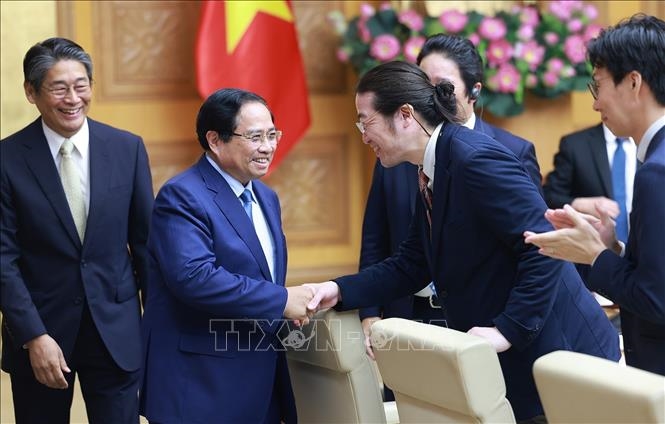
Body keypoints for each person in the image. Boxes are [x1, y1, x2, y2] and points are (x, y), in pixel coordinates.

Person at [304, 61, 620, 423]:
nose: (363, 136)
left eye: (366, 122)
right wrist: (339, 289)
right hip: (516, 365)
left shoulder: (474, 159)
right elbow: (412, 263)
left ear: (405, 115)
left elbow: (546, 245)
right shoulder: (430, 166)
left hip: (559, 354)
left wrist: (507, 329)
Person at [358, 33, 543, 361]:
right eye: (422, 83)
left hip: (489, 327)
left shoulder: (497, 153)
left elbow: (537, 243)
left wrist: (509, 328)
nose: (428, 96)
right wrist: (362, 305)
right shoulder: (401, 156)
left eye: (441, 85)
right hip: (412, 315)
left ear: (474, 91)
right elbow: (384, 242)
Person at [0, 37, 154, 423]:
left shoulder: (127, 149)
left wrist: (155, 328)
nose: (73, 99)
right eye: (59, 88)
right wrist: (33, 336)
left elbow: (146, 246)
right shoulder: (7, 159)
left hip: (116, 333)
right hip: (41, 335)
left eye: (81, 85)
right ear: (31, 92)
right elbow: (3, 259)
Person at [139, 88, 313, 423]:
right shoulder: (182, 196)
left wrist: (284, 307)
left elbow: (259, 275)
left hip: (258, 381)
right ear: (215, 140)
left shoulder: (266, 197)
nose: (268, 147)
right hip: (200, 385)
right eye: (255, 137)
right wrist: (280, 300)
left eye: (272, 135)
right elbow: (194, 278)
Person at [524, 14, 665, 376]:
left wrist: (594, 255)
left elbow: (656, 298)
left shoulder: (656, 171)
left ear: (633, 82)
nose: (595, 103)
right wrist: (613, 249)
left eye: (597, 86)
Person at [543, 122, 636, 241]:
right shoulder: (575, 144)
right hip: (593, 245)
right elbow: (549, 196)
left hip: (646, 244)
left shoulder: (652, 142)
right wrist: (579, 204)